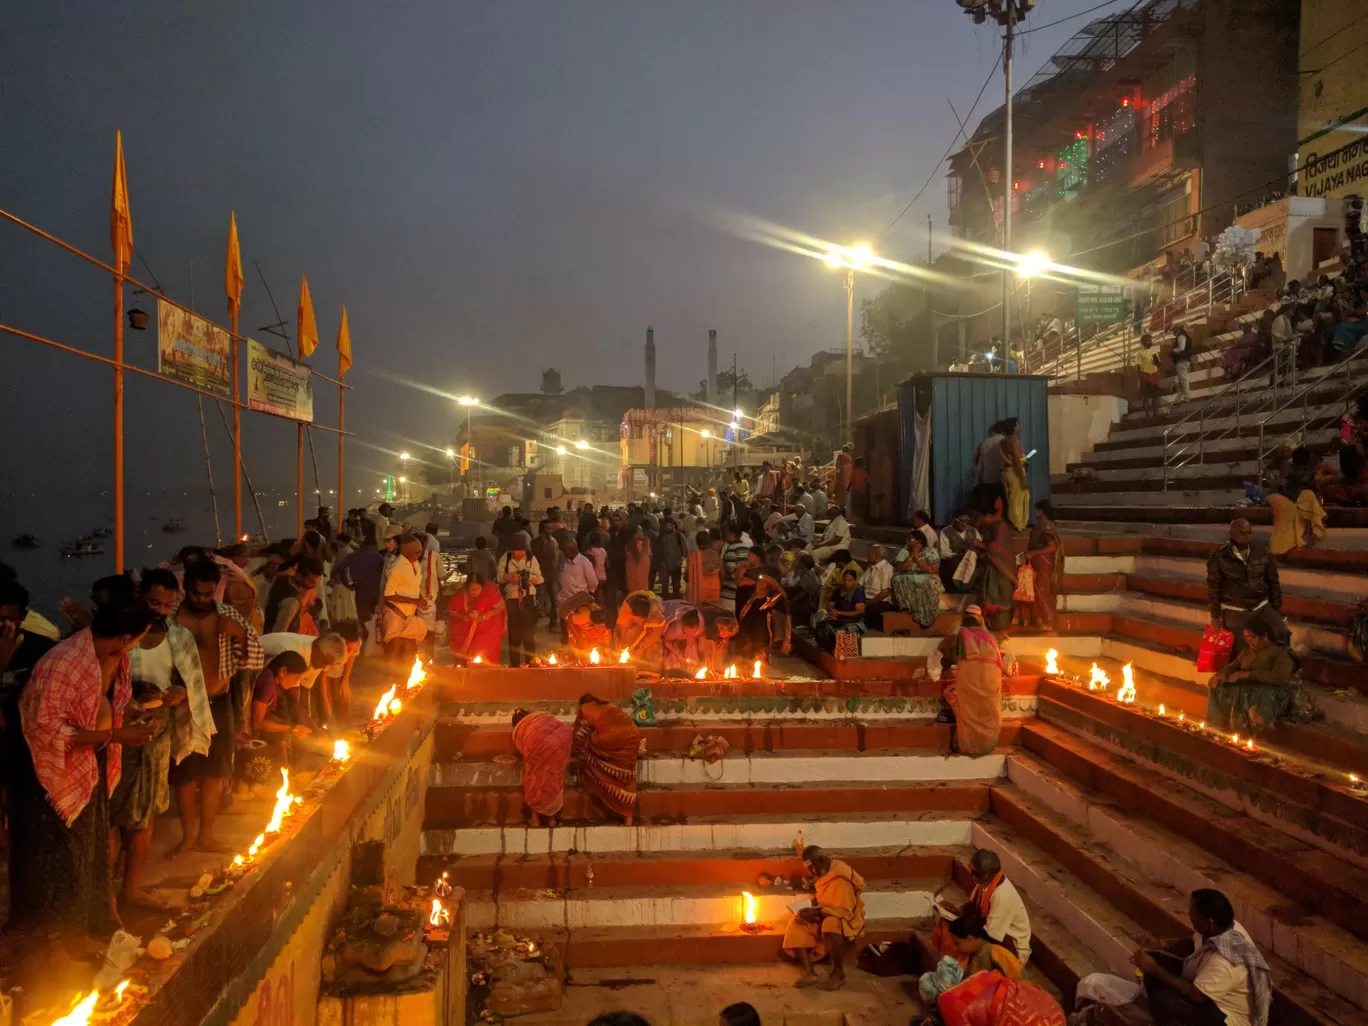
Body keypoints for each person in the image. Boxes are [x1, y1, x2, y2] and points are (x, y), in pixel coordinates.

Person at [8, 597, 159, 941]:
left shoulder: (107, 655)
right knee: (57, 860)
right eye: (137, 639)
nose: (135, 646)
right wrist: (116, 734)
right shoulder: (64, 662)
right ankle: (53, 943)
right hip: (47, 775)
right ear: (124, 638)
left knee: (87, 853)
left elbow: (95, 703)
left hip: (89, 759)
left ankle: (86, 929)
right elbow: (45, 727)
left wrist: (126, 718)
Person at [111, 570, 205, 911]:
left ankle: (131, 890)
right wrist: (133, 693)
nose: (162, 610)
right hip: (115, 729)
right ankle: (106, 891)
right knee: (113, 811)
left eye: (169, 604)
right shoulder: (121, 633)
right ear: (140, 596)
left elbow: (190, 682)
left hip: (157, 730)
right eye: (155, 602)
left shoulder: (179, 636)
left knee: (146, 811)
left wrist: (178, 693)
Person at [171, 560, 264, 856]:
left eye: (208, 594)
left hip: (218, 700)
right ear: (186, 590)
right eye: (196, 594)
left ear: (215, 591)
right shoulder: (172, 620)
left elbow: (255, 658)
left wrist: (237, 634)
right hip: (183, 705)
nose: (201, 600)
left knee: (214, 773)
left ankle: (206, 836)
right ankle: (188, 836)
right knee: (184, 774)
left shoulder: (227, 615)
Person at [1129, 889, 1271, 1026]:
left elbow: (1196, 995)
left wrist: (1154, 969)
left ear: (1209, 923)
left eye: (1193, 913)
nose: (1189, 914)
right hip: (1209, 993)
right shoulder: (1219, 928)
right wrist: (1160, 944)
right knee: (1155, 961)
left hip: (1225, 1016)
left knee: (1164, 1002)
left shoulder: (1226, 961)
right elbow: (1192, 943)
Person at [1206, 620, 1313, 735]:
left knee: (1258, 694)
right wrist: (1221, 674)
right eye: (1245, 637)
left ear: (1264, 636)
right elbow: (1232, 667)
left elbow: (1281, 677)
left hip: (1273, 691)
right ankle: (1218, 726)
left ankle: (1258, 732)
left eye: (1252, 637)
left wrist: (1248, 674)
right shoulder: (1247, 652)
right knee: (1219, 686)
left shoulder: (1279, 653)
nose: (1248, 641)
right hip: (1249, 688)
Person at [782, 845, 866, 990]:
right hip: (825, 912)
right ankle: (810, 973)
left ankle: (838, 974)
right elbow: (826, 897)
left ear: (821, 860)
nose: (811, 871)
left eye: (812, 867)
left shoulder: (841, 877)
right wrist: (814, 904)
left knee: (831, 924)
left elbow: (844, 911)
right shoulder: (826, 870)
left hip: (846, 920)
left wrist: (816, 913)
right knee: (796, 922)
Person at [1207, 519, 1289, 658]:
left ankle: (1281, 670)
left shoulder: (1262, 552)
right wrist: (1215, 616)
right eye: (1242, 533)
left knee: (1281, 632)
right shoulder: (1219, 556)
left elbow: (1273, 581)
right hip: (1235, 608)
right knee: (1239, 649)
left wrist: (1276, 609)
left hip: (1261, 605)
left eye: (1249, 532)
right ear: (1232, 533)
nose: (1246, 536)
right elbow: (1213, 587)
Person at [937, 605, 1004, 755]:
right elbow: (999, 660)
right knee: (988, 709)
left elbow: (956, 656)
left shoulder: (961, 631)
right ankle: (986, 741)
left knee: (967, 709)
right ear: (979, 619)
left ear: (964, 616)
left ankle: (967, 745)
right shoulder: (989, 636)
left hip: (970, 676)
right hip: (991, 676)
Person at [919, 915, 1023, 1003]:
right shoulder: (977, 954)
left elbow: (1017, 986)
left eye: (957, 943)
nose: (955, 948)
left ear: (970, 938)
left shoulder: (995, 953)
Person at [573, 694, 641, 825]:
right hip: (634, 736)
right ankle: (628, 818)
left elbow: (580, 733)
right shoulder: (609, 706)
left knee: (587, 754)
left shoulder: (585, 708)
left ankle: (600, 798)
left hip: (611, 738)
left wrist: (578, 750)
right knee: (627, 773)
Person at [511, 707, 574, 828]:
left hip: (538, 743)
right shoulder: (542, 716)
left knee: (534, 780)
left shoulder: (521, 727)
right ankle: (552, 820)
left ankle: (535, 820)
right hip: (564, 739)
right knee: (554, 778)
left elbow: (523, 750)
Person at [1269, 447, 1326, 556]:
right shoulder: (1293, 470)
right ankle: (1311, 531)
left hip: (1291, 497)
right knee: (1309, 496)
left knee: (1309, 495)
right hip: (1288, 499)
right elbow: (1301, 481)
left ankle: (1311, 530)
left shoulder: (1294, 469)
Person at [497, 531, 543, 667]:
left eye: (521, 551)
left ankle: (531, 662)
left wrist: (535, 579)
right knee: (514, 635)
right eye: (516, 551)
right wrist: (509, 577)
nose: (519, 554)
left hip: (528, 598)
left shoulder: (531, 558)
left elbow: (540, 577)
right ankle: (515, 664)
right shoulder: (505, 559)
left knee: (529, 635)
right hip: (512, 599)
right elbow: (499, 577)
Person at [381, 535, 427, 668]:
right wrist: (414, 601)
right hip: (395, 614)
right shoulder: (397, 568)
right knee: (394, 648)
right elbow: (388, 595)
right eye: (416, 552)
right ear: (406, 552)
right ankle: (391, 680)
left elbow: (414, 587)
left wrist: (420, 599)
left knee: (409, 647)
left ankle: (405, 678)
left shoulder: (415, 564)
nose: (419, 555)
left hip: (410, 614)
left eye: (420, 552)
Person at [1020, 500, 1063, 632]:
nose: (1034, 512)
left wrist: (1033, 553)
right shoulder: (1040, 525)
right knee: (1035, 592)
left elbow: (1052, 546)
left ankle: (1047, 622)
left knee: (1043, 593)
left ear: (1040, 511)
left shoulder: (1047, 526)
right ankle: (1038, 621)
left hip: (1045, 564)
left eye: (1036, 509)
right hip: (1037, 563)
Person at [448, 574, 507, 666]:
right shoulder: (461, 596)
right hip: (469, 623)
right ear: (467, 588)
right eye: (472, 589)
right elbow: (453, 611)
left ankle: (487, 669)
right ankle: (466, 668)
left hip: (489, 623)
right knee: (461, 640)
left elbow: (500, 607)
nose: (474, 592)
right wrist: (465, 617)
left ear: (482, 587)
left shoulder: (490, 592)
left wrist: (485, 615)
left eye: (477, 589)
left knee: (482, 649)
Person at [977, 507, 1018, 631]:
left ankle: (1001, 629)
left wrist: (980, 545)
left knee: (1003, 599)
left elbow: (996, 547)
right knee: (990, 599)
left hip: (1002, 568)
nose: (981, 521)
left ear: (989, 515)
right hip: (993, 569)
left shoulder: (1000, 527)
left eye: (981, 517)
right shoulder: (992, 528)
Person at [892, 532, 944, 629]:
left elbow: (931, 570)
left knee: (929, 581)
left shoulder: (931, 551)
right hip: (908, 576)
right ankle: (906, 607)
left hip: (927, 576)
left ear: (919, 542)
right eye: (906, 539)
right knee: (897, 579)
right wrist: (911, 556)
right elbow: (899, 569)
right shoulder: (904, 551)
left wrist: (917, 557)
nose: (906, 541)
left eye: (909, 539)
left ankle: (927, 609)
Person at [735, 574, 791, 659]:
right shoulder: (750, 598)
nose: (761, 582)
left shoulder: (770, 602)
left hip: (761, 636)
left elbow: (784, 597)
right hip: (746, 635)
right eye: (760, 580)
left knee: (759, 660)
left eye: (764, 581)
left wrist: (775, 582)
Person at [265, 555, 325, 635]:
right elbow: (279, 632)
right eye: (311, 581)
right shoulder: (292, 601)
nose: (314, 585)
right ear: (299, 576)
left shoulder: (282, 579)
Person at [815, 568, 866, 653]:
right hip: (837, 618)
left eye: (850, 580)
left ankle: (842, 650)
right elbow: (831, 605)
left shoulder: (858, 592)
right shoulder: (838, 590)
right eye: (845, 580)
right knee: (821, 625)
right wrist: (832, 612)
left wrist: (839, 614)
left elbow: (860, 612)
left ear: (855, 581)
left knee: (846, 630)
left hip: (851, 621)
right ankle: (829, 649)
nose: (847, 583)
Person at [615, 591, 666, 667]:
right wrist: (621, 645)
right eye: (637, 619)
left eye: (640, 620)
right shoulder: (626, 612)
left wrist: (642, 646)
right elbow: (620, 631)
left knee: (652, 648)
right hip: (634, 602)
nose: (639, 622)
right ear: (631, 614)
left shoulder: (656, 614)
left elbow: (656, 633)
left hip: (652, 609)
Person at [1000, 418, 1030, 532]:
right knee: (1018, 499)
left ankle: (1014, 524)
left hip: (1008, 471)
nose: (1019, 426)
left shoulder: (1003, 441)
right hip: (1015, 472)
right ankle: (1017, 525)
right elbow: (1017, 460)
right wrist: (1023, 478)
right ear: (1014, 427)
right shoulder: (1014, 441)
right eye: (1018, 424)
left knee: (1012, 498)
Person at [938, 511, 980, 591]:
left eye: (966, 521)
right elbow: (944, 553)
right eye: (960, 521)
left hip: (971, 562)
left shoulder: (973, 531)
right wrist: (960, 556)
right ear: (954, 520)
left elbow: (979, 547)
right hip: (953, 562)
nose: (963, 523)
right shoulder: (945, 532)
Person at [972, 420, 1007, 515]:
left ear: (992, 431)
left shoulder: (984, 443)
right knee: (1005, 508)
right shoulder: (1005, 441)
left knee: (988, 508)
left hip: (987, 480)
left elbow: (976, 460)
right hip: (1002, 479)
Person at [860, 544, 894, 631]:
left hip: (881, 602)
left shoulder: (886, 568)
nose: (867, 555)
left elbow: (885, 592)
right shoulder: (870, 567)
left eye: (869, 553)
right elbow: (859, 584)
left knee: (870, 610)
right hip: (867, 600)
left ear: (876, 555)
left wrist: (867, 604)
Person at [687, 530, 722, 607]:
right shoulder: (716, 555)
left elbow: (687, 577)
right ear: (709, 541)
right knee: (712, 612)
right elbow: (722, 574)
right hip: (714, 589)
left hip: (698, 591)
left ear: (697, 542)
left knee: (699, 614)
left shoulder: (692, 557)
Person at [656, 518, 687, 599]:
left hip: (676, 564)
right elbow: (657, 550)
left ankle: (676, 601)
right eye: (667, 525)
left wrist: (680, 561)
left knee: (676, 586)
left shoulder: (679, 536)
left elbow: (685, 550)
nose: (669, 527)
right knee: (664, 586)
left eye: (671, 525)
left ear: (674, 525)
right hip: (663, 565)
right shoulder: (660, 536)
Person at [1134, 333, 1162, 419]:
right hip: (1145, 375)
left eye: (1151, 340)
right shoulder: (1139, 353)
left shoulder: (1154, 351)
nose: (1150, 342)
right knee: (1146, 396)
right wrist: (1139, 379)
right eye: (1148, 340)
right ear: (1143, 342)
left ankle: (1155, 413)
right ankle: (1146, 414)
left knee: (1155, 395)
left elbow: (1158, 364)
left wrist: (1155, 358)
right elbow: (1138, 367)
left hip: (1154, 374)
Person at [1171, 324, 1195, 402]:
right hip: (1182, 360)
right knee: (1179, 380)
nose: (1172, 332)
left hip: (1182, 360)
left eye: (1173, 330)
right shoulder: (1182, 335)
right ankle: (1179, 398)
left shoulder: (1181, 336)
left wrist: (1173, 351)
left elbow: (1181, 348)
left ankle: (1186, 398)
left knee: (1183, 380)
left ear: (1177, 329)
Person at [847, 457, 869, 525]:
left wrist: (848, 489)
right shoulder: (864, 472)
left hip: (855, 491)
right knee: (862, 505)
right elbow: (867, 481)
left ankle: (855, 519)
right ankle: (861, 518)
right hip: (862, 491)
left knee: (855, 505)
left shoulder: (853, 472)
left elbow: (850, 482)